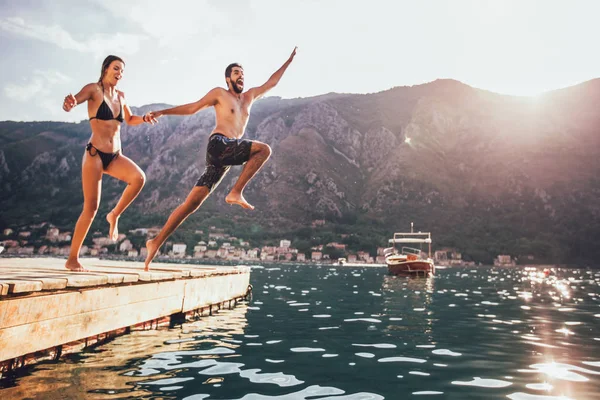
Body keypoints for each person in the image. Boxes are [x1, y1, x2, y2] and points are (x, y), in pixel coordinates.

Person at [143, 47, 298, 270]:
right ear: (228, 79)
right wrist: (163, 112)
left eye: (242, 73)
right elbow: (194, 108)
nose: (240, 76)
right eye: (236, 73)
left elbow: (271, 83)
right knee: (264, 150)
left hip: (224, 158)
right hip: (219, 144)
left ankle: (155, 243)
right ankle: (236, 192)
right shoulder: (220, 94)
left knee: (191, 204)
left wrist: (288, 61)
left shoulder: (250, 96)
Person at [62, 55, 156, 272]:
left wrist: (145, 118)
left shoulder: (121, 96)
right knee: (91, 208)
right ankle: (72, 259)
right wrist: (70, 103)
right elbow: (75, 100)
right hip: (95, 154)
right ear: (105, 69)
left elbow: (130, 119)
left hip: (115, 156)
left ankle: (114, 214)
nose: (119, 73)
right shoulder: (94, 90)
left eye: (122, 71)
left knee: (139, 178)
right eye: (116, 68)